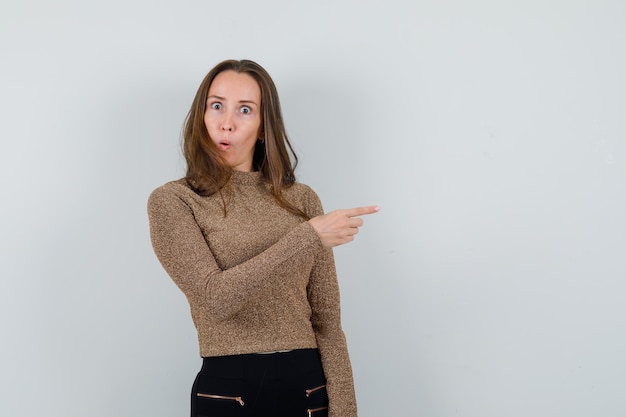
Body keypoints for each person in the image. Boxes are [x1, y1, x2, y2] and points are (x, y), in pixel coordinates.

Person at [147, 59, 378, 417]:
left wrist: (346, 410)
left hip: (307, 385)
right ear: (202, 115)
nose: (227, 122)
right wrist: (309, 236)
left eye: (245, 110)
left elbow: (327, 322)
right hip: (229, 388)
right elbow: (216, 299)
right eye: (217, 105)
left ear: (262, 127)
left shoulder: (301, 200)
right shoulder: (174, 201)